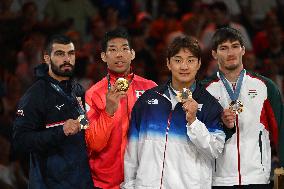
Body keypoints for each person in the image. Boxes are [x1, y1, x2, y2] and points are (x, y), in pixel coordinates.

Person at [122, 36, 226, 188]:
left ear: (198, 64)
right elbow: (132, 151)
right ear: (168, 64)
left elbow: (215, 151)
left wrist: (193, 122)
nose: (184, 66)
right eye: (178, 60)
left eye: (190, 60)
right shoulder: (147, 100)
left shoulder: (210, 104)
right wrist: (130, 185)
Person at [203, 27, 283, 188]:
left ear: (243, 50)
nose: (230, 52)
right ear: (214, 54)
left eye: (235, 46)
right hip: (218, 180)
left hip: (257, 178)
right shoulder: (204, 91)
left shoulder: (265, 87)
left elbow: (280, 131)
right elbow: (198, 135)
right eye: (223, 48)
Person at [12, 34, 94, 189]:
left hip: (81, 181)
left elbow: (84, 124)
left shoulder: (77, 90)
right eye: (60, 54)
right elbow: (20, 142)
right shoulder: (34, 96)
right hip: (49, 184)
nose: (66, 59)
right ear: (47, 59)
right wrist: (60, 131)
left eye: (70, 54)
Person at [85, 28, 157, 189]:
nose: (119, 54)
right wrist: (108, 111)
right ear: (104, 56)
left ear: (132, 54)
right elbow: (94, 144)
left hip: (144, 180)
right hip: (106, 183)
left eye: (124, 49)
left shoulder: (151, 89)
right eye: (113, 50)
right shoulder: (93, 94)